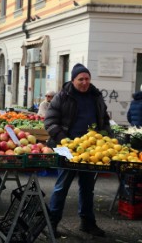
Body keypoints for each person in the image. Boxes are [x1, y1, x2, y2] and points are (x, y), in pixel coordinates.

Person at [44, 63, 111, 238]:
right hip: (66, 148)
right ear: (73, 80)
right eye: (80, 79)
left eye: (87, 78)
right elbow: (50, 122)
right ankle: (52, 223)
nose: (84, 82)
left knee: (88, 188)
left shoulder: (96, 96)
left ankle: (87, 223)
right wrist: (63, 140)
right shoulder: (62, 96)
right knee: (61, 186)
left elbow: (104, 119)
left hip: (91, 150)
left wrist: (106, 137)